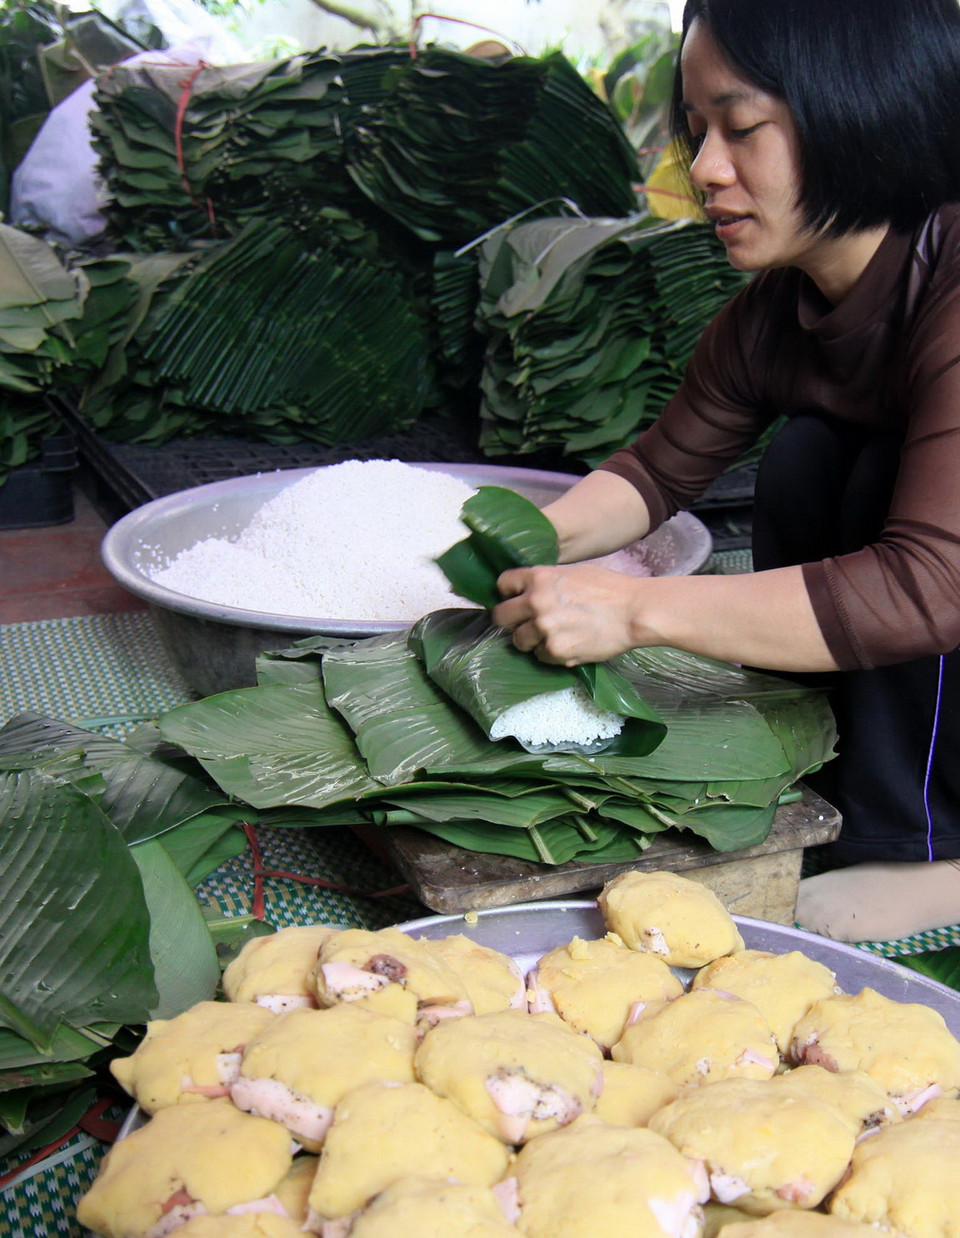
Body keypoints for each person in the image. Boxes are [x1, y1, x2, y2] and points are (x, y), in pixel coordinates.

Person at [490, 0, 960, 943]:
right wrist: (506, 546)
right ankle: (865, 790)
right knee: (808, 461)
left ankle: (938, 858)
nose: (703, 170)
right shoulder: (779, 310)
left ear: (861, 111)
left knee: (881, 504)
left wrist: (632, 611)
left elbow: (934, 585)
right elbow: (658, 474)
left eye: (742, 128)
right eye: (697, 132)